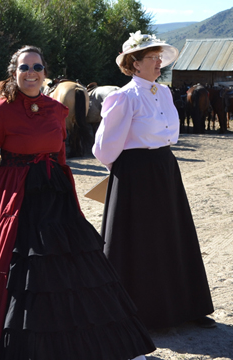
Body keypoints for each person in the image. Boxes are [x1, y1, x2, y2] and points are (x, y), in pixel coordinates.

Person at [0, 45, 156, 360]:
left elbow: (61, 158)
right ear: (14, 72)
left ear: (45, 73)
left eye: (37, 67)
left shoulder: (56, 109)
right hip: (13, 197)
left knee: (72, 268)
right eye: (24, 67)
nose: (31, 73)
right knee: (18, 269)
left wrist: (70, 196)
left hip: (54, 195)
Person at [92, 30, 215, 330]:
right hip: (135, 174)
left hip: (165, 167)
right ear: (135, 64)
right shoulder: (123, 98)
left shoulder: (165, 93)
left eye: (160, 57)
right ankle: (147, 313)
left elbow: (170, 132)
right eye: (152, 57)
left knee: (175, 234)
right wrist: (126, 174)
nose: (159, 62)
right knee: (143, 242)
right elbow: (104, 147)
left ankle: (187, 306)